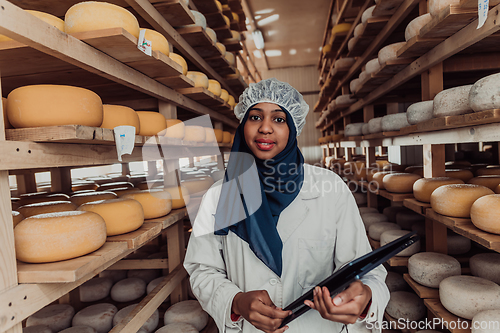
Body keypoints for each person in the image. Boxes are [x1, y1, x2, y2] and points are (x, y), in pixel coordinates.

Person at [184, 78, 389, 333]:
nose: (265, 128)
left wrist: (365, 297)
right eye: (255, 117)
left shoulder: (330, 188)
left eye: (279, 119)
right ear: (243, 124)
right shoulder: (218, 196)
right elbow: (202, 269)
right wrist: (236, 302)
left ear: (293, 128)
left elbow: (366, 270)